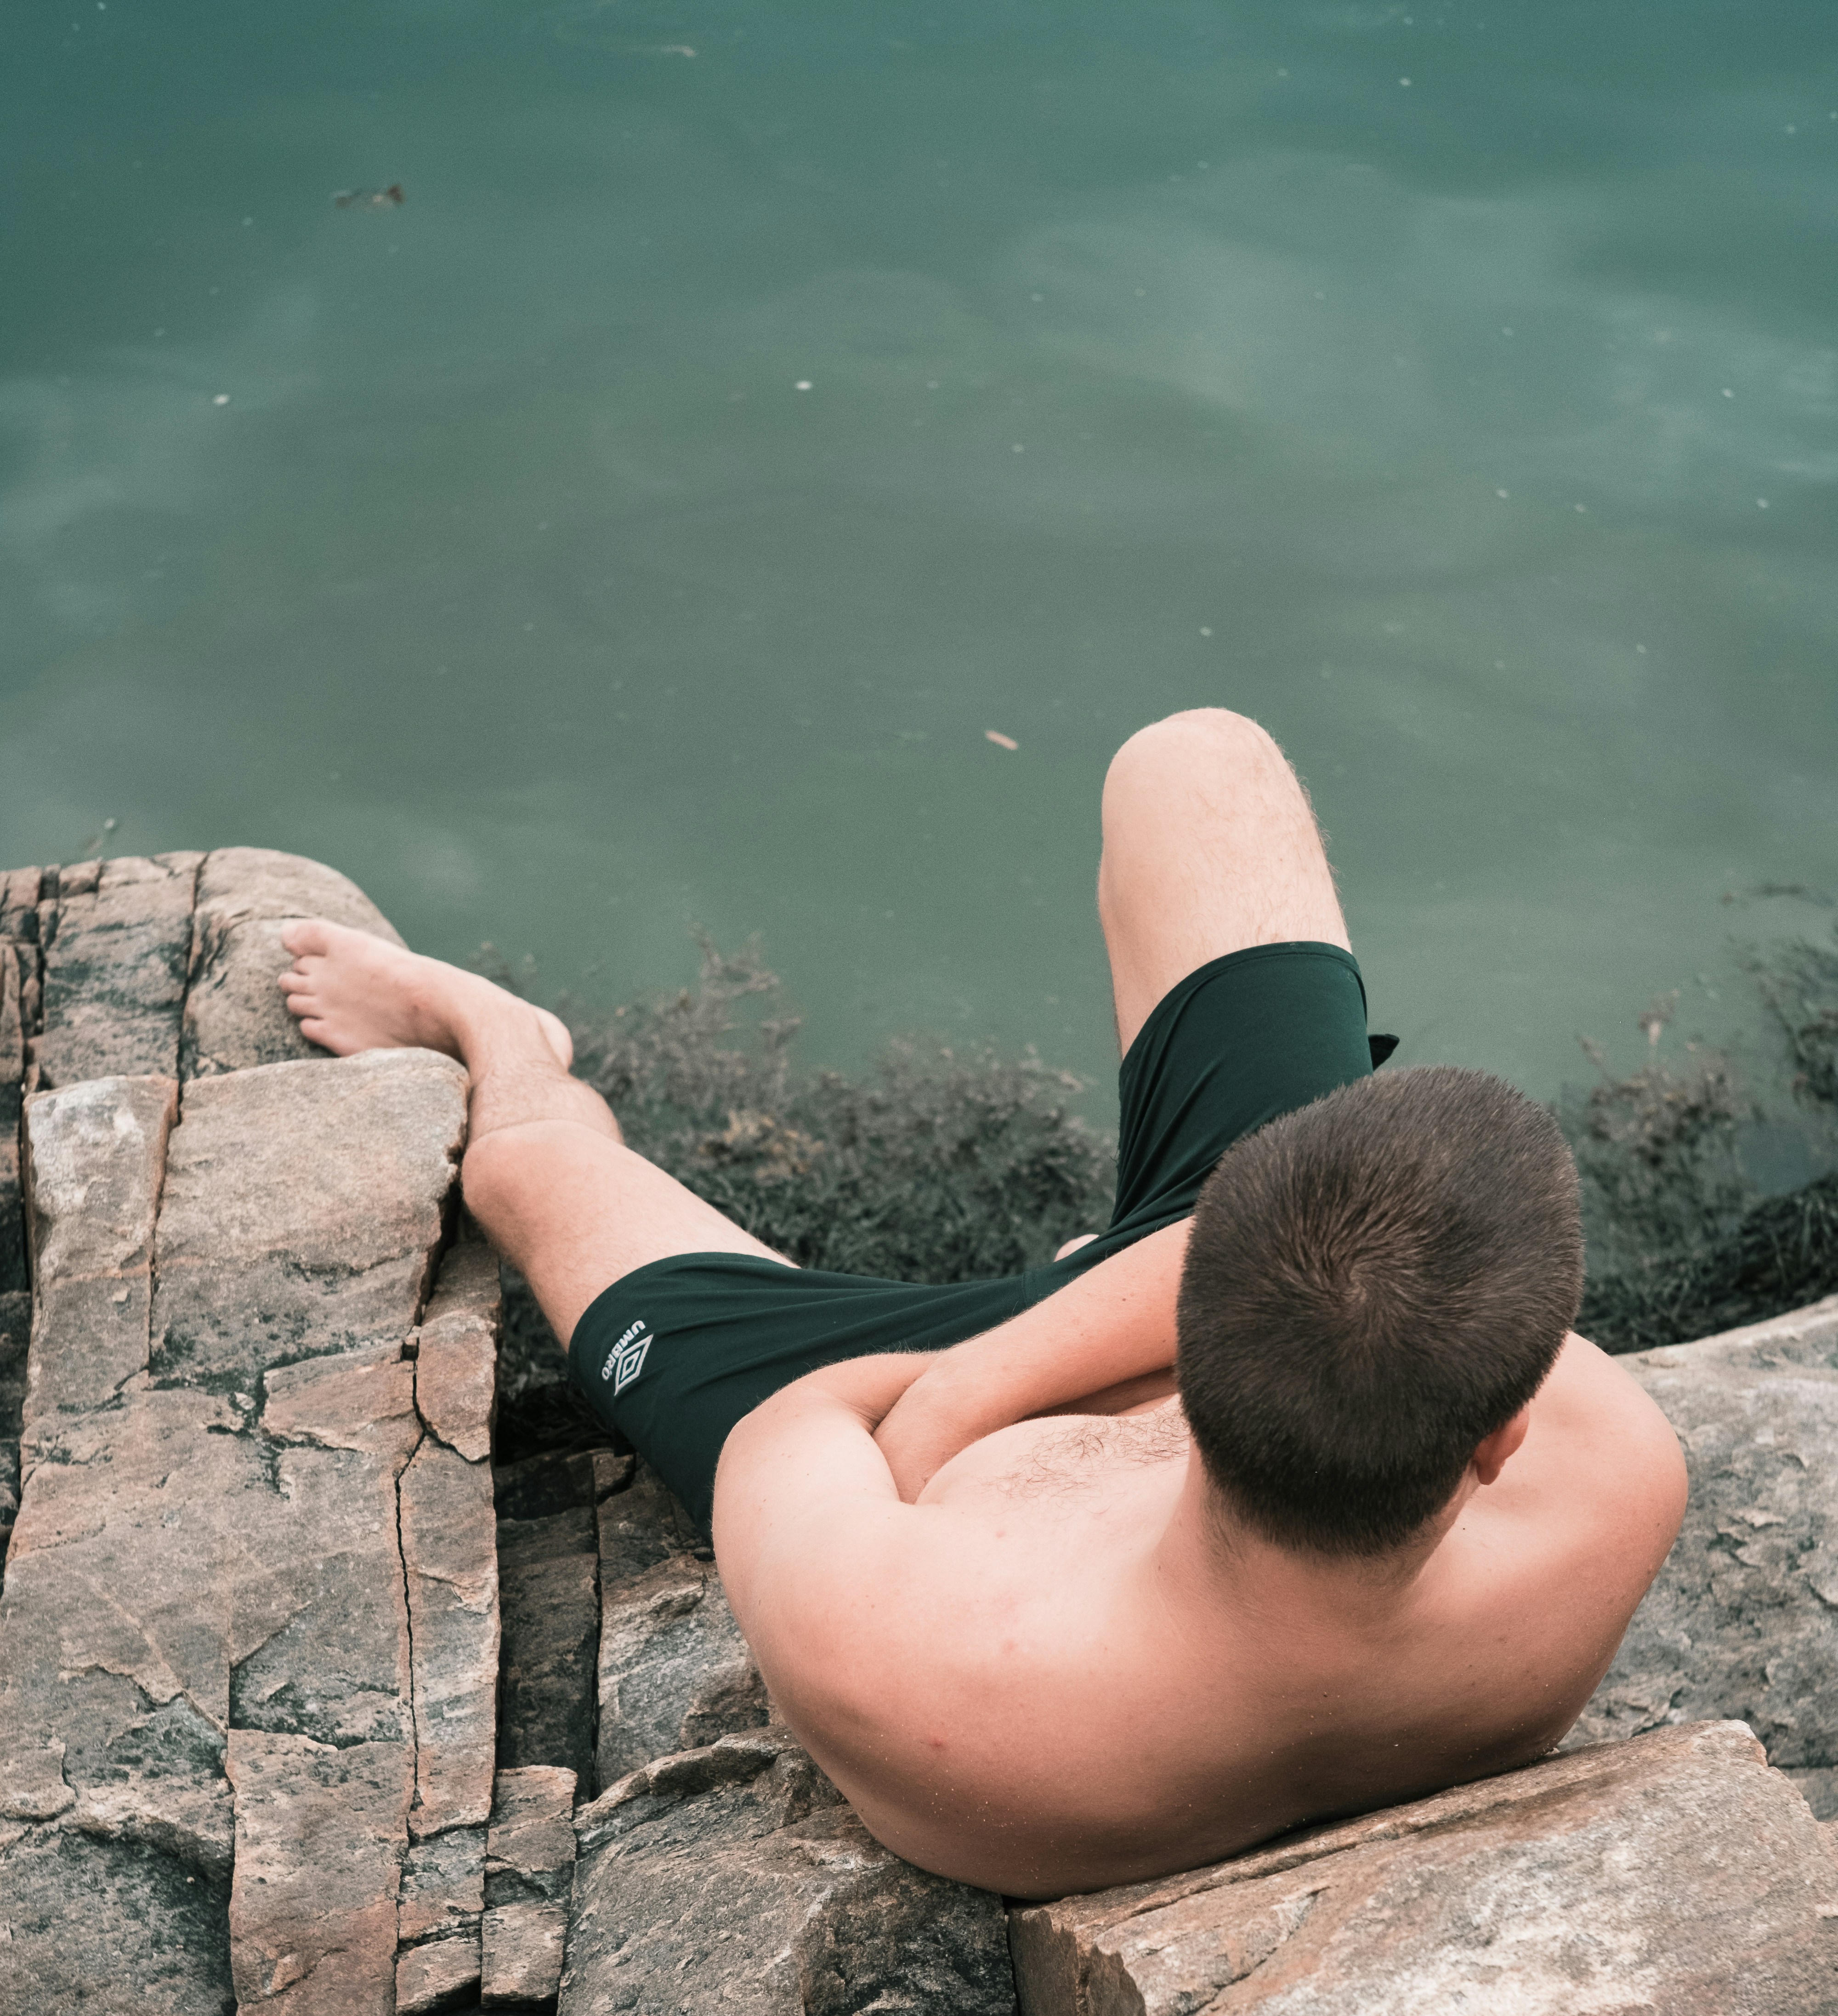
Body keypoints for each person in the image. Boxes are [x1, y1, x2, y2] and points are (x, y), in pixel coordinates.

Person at [278, 708, 1686, 1899]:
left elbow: (801, 1417)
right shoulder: (1609, 1477)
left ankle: (501, 1033)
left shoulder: (929, 1661)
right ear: (1497, 1435)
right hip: (1194, 1323)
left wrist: (959, 1392)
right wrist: (1071, 1321)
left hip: (880, 1396)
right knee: (1200, 759)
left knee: (525, 1173)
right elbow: (1259, 1261)